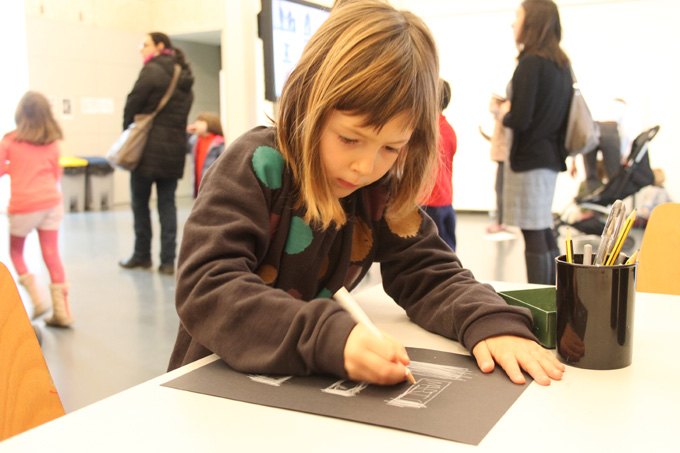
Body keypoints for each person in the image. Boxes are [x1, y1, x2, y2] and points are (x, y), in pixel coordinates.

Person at [168, 1, 564, 387]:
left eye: (391, 148)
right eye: (349, 138)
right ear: (308, 101)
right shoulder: (255, 165)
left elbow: (430, 273)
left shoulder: (377, 192)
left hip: (298, 391)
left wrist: (490, 322)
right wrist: (328, 338)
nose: (366, 167)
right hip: (216, 384)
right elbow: (207, 287)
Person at [501, 0, 573, 285]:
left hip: (529, 159)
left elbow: (520, 118)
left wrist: (504, 112)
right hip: (550, 158)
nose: (513, 23)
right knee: (542, 229)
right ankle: (559, 291)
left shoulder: (531, 62)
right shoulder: (562, 65)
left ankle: (541, 296)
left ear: (532, 22)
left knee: (533, 232)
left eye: (517, 16)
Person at [119, 32, 194, 275]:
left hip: (146, 148)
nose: (141, 49)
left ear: (160, 46)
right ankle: (167, 261)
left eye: (146, 44)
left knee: (140, 203)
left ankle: (142, 255)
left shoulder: (152, 70)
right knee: (167, 205)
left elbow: (133, 102)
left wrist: (128, 130)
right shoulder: (184, 75)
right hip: (173, 149)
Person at [0, 91, 73, 326]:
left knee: (16, 252)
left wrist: (12, 168)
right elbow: (55, 174)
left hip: (23, 207)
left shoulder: (10, 140)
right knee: (52, 256)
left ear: (20, 114)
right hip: (51, 203)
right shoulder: (51, 142)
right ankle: (63, 312)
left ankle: (37, 298)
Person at [419, 79, 457, 251]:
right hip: (446, 199)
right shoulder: (448, 129)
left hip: (429, 201)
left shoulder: (426, 131)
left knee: (431, 250)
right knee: (448, 250)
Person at [486, 86, 513, 234]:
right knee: (499, 189)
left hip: (504, 158)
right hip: (501, 158)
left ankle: (502, 223)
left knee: (501, 190)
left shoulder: (505, 112)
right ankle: (500, 221)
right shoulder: (501, 114)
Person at [186, 112, 225, 198]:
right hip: (199, 185)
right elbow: (184, 147)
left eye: (201, 121)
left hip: (212, 186)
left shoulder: (219, 142)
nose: (196, 123)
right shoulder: (195, 141)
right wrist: (188, 132)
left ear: (210, 123)